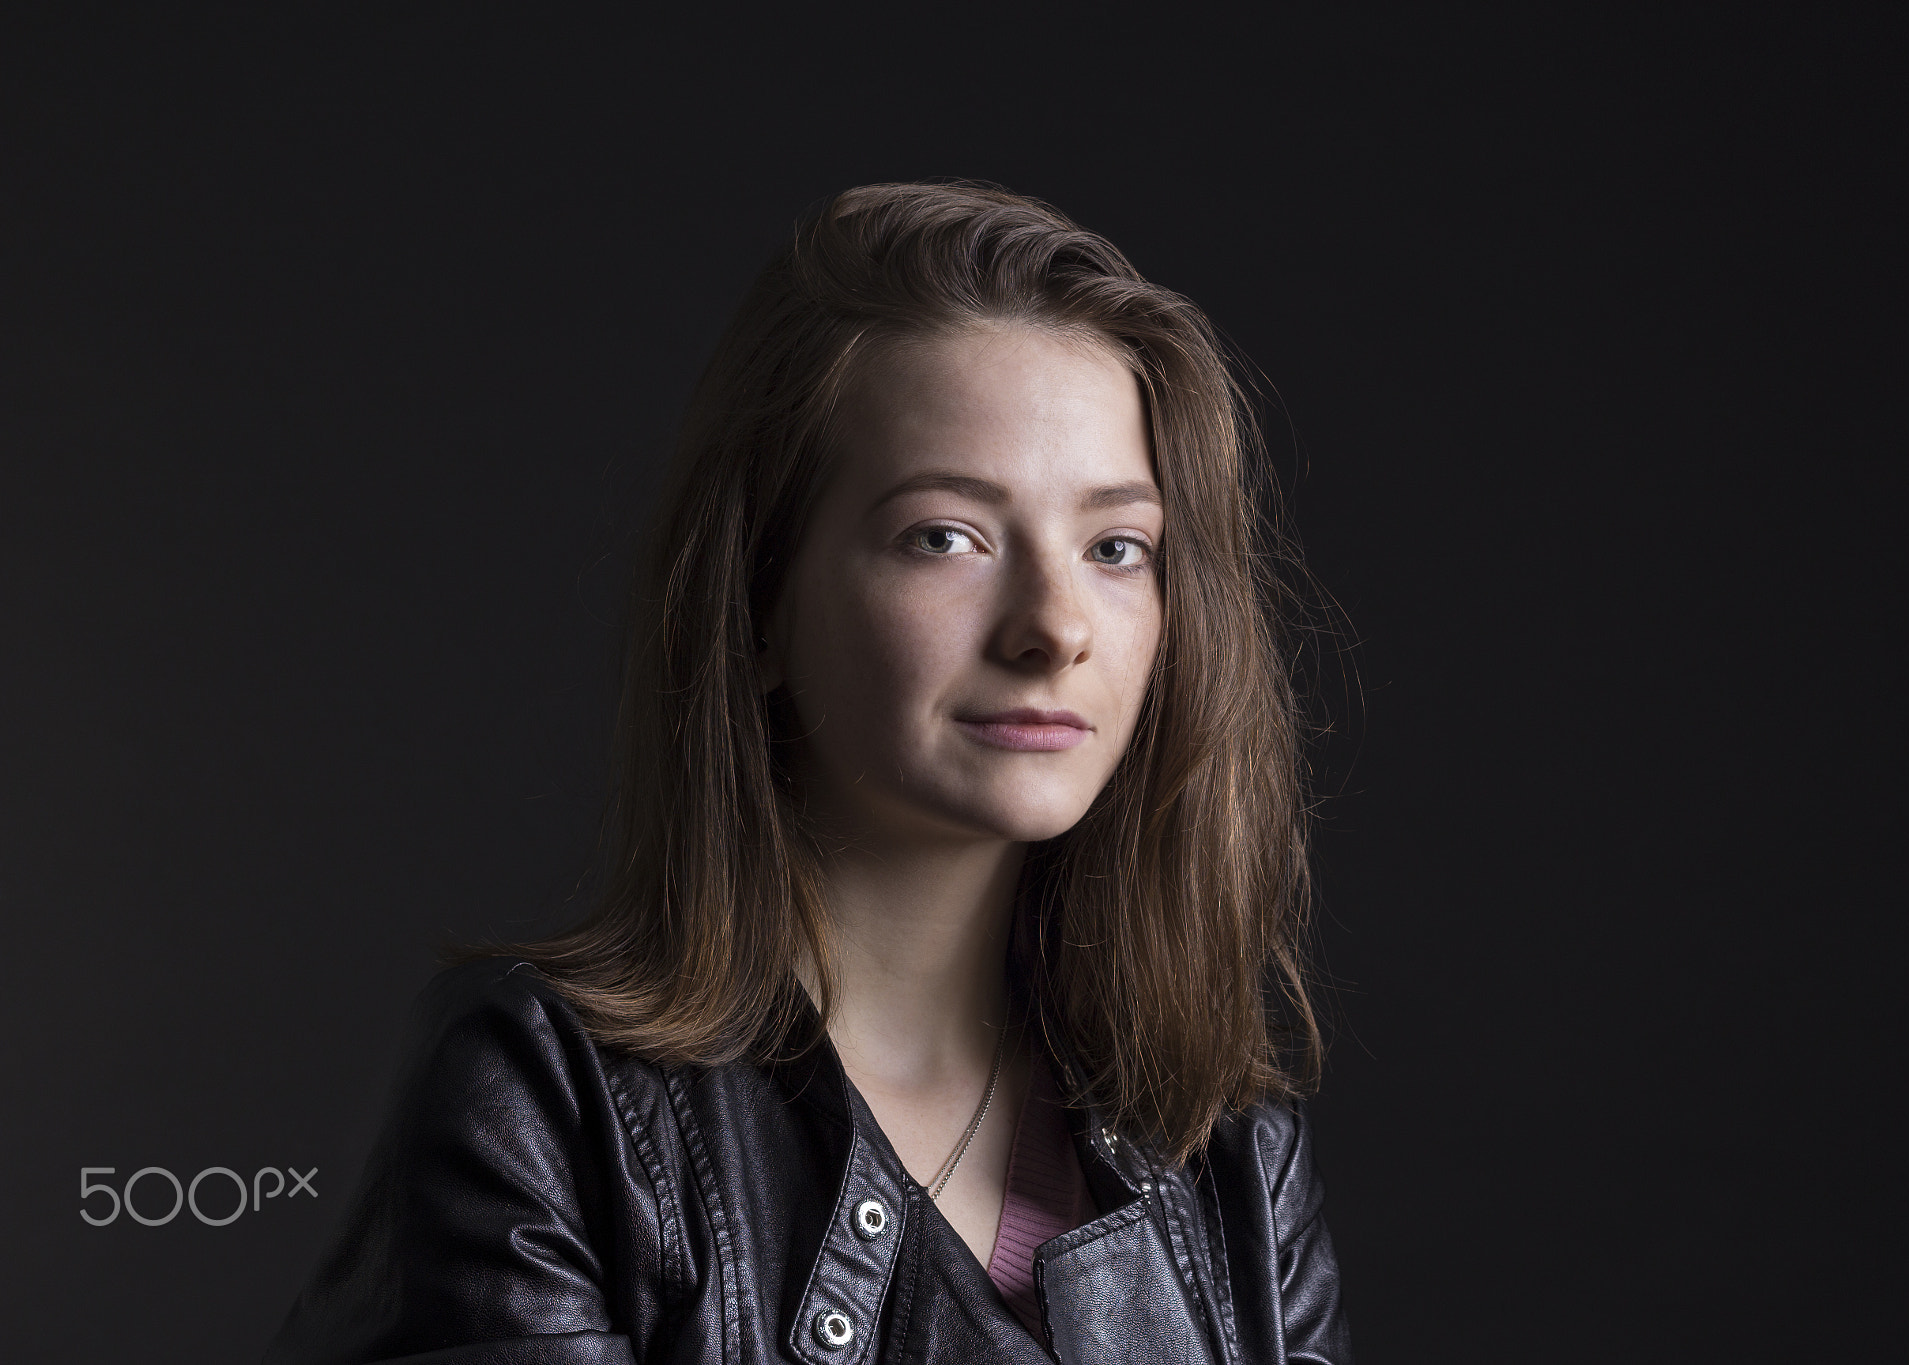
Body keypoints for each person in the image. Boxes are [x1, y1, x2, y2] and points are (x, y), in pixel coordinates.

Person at [265, 182, 1352, 1365]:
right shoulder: (547, 1099)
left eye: (1114, 547)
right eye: (946, 535)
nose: (1054, 627)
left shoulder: (1225, 1150)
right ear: (760, 604)